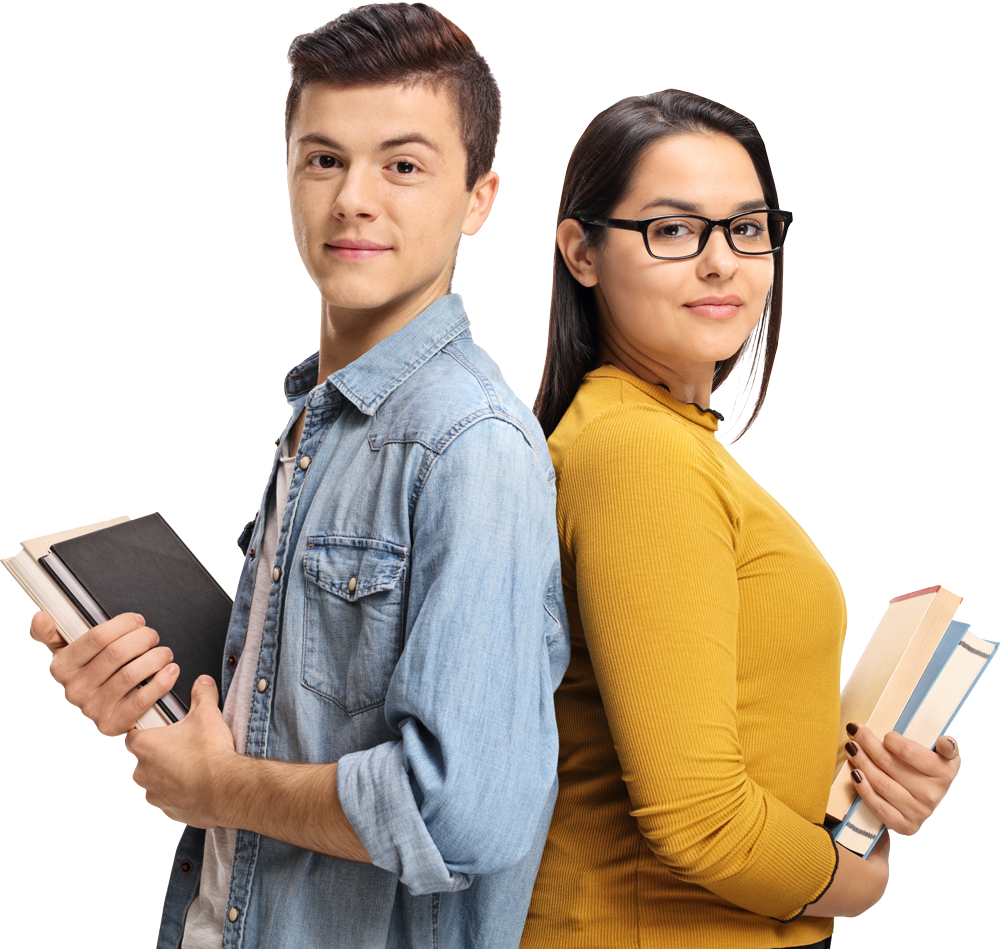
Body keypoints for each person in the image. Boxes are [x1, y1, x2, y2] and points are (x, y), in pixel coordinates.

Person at [28, 5, 569, 948]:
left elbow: (464, 809)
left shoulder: (470, 446)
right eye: (324, 159)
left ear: (480, 199)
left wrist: (218, 786)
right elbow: (295, 714)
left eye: (403, 165)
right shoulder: (322, 420)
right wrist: (160, 702)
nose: (354, 198)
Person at [520, 89, 961, 949]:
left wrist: (872, 776)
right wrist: (855, 883)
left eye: (748, 228)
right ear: (582, 250)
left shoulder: (664, 441)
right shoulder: (641, 453)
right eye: (674, 230)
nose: (722, 262)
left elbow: (729, 721)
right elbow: (697, 817)